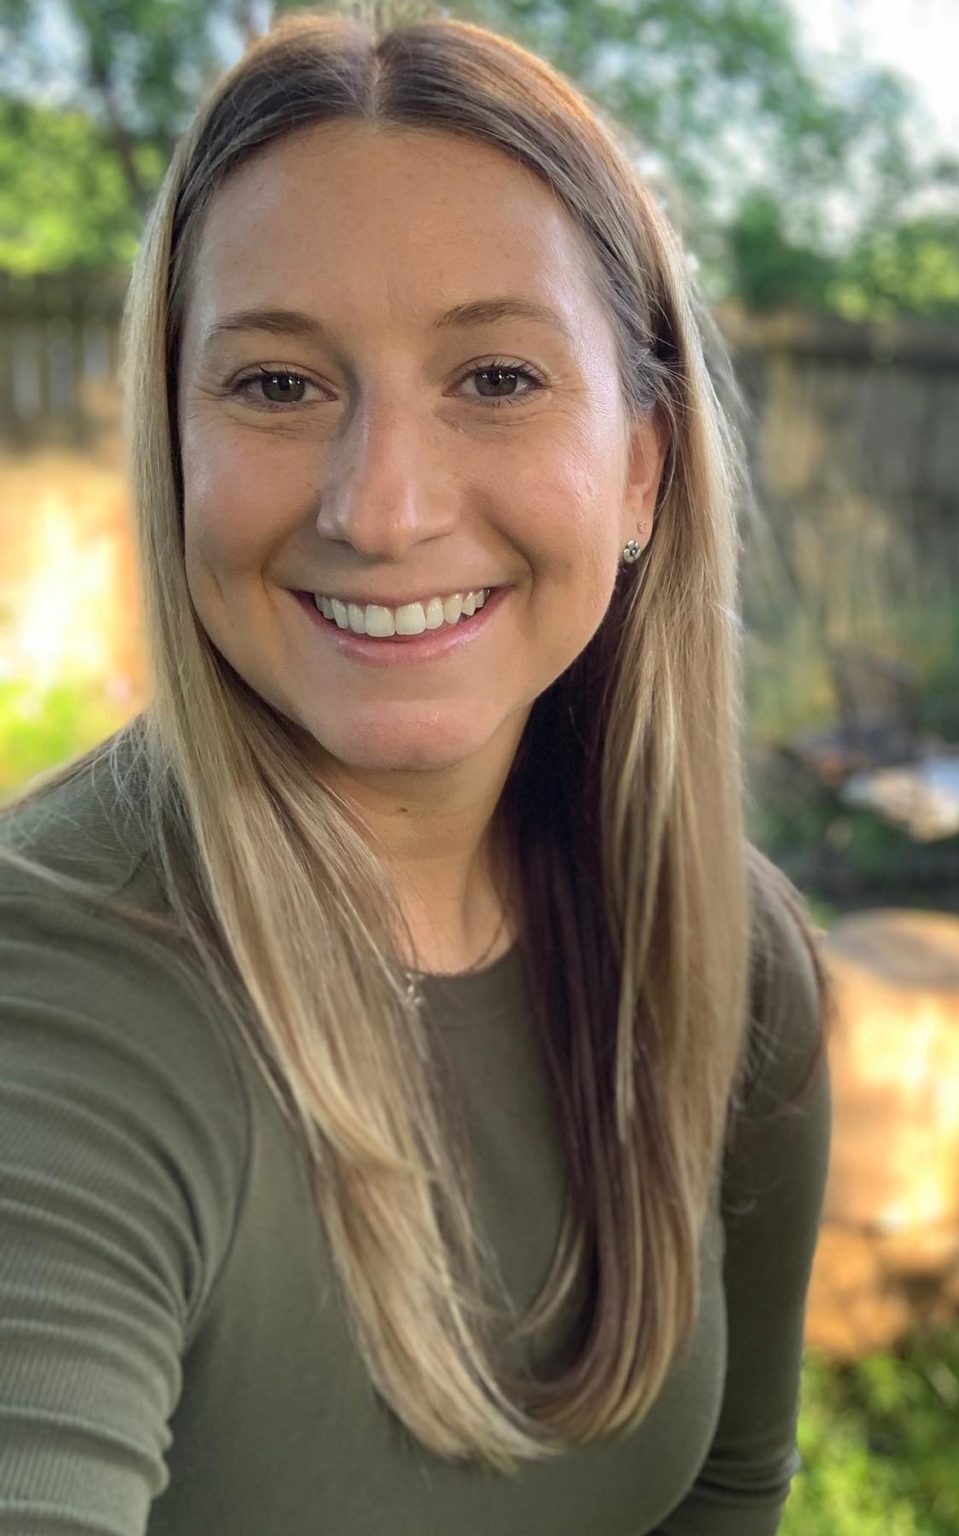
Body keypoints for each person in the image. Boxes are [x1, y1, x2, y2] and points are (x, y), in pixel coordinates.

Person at [0, 12, 829, 1535]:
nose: (380, 508)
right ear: (170, 444)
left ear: (640, 466)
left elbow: (727, 1486)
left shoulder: (727, 958)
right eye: (275, 385)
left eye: (497, 377)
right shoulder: (52, 991)